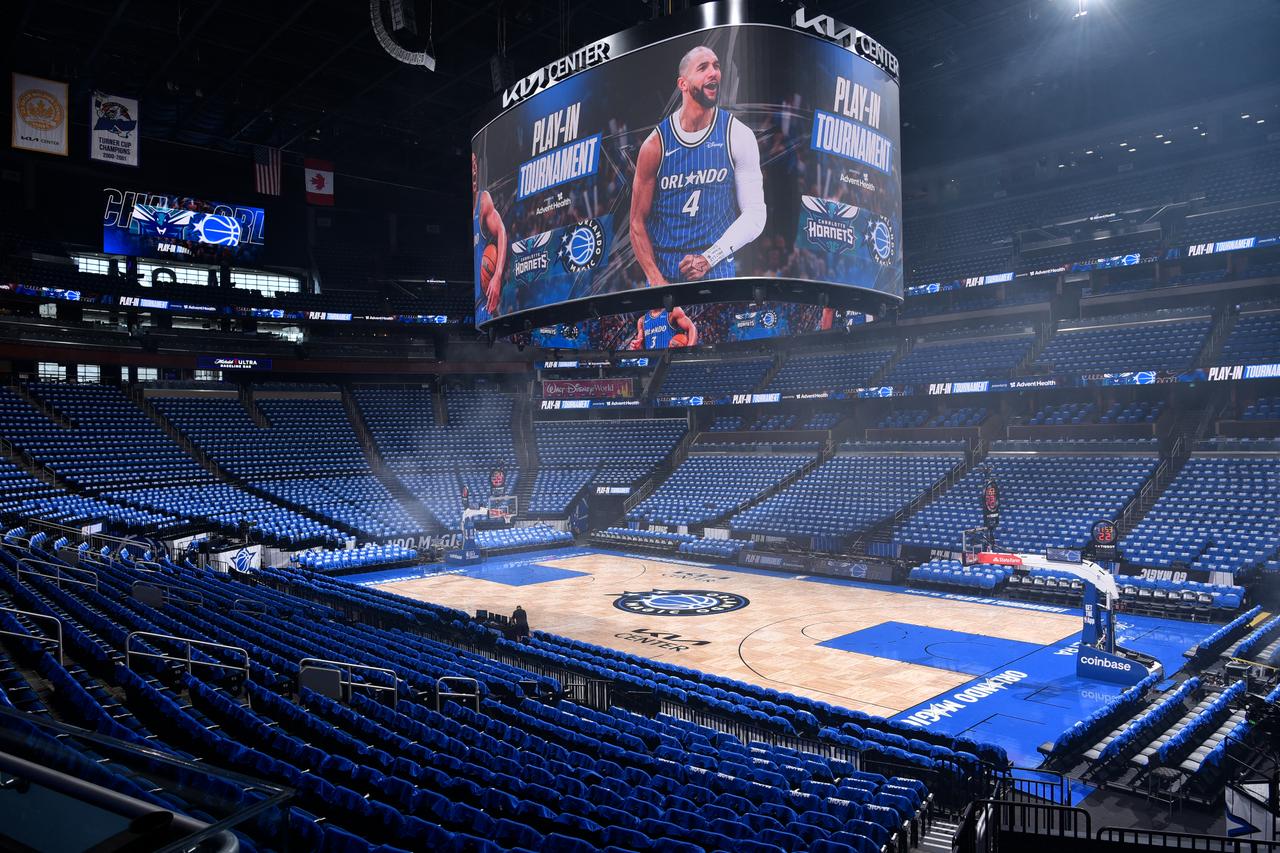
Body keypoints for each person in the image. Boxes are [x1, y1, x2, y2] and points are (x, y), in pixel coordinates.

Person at [630, 45, 766, 286]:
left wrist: (708, 258)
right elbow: (637, 223)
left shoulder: (738, 135)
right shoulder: (655, 145)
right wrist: (657, 282)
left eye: (716, 66)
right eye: (703, 68)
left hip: (716, 269)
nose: (713, 72)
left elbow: (755, 214)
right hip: (665, 276)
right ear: (683, 84)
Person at [472, 152, 508, 320]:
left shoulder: (483, 200)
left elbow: (501, 230)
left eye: (474, 166)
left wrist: (497, 275)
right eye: (470, 166)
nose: (473, 170)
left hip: (484, 302)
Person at [630, 306, 698, 349]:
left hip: (668, 360)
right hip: (652, 363)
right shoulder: (642, 320)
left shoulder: (672, 311)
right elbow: (640, 345)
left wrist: (689, 350)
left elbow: (691, 327)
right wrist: (636, 347)